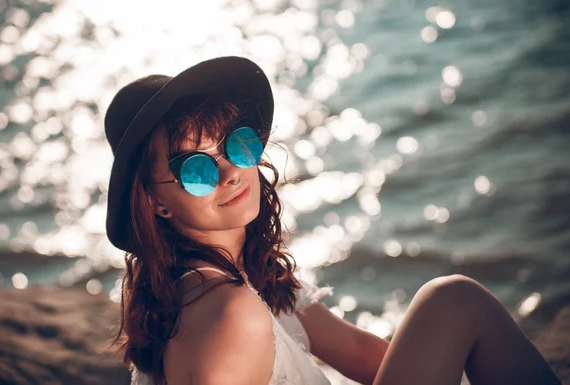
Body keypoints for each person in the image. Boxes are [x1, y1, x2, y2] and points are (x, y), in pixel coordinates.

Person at [104, 56, 561, 385]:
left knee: (455, 305)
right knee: (454, 301)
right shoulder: (226, 311)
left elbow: (363, 355)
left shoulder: (238, 278)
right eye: (195, 167)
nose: (228, 173)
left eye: (234, 144)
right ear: (154, 202)